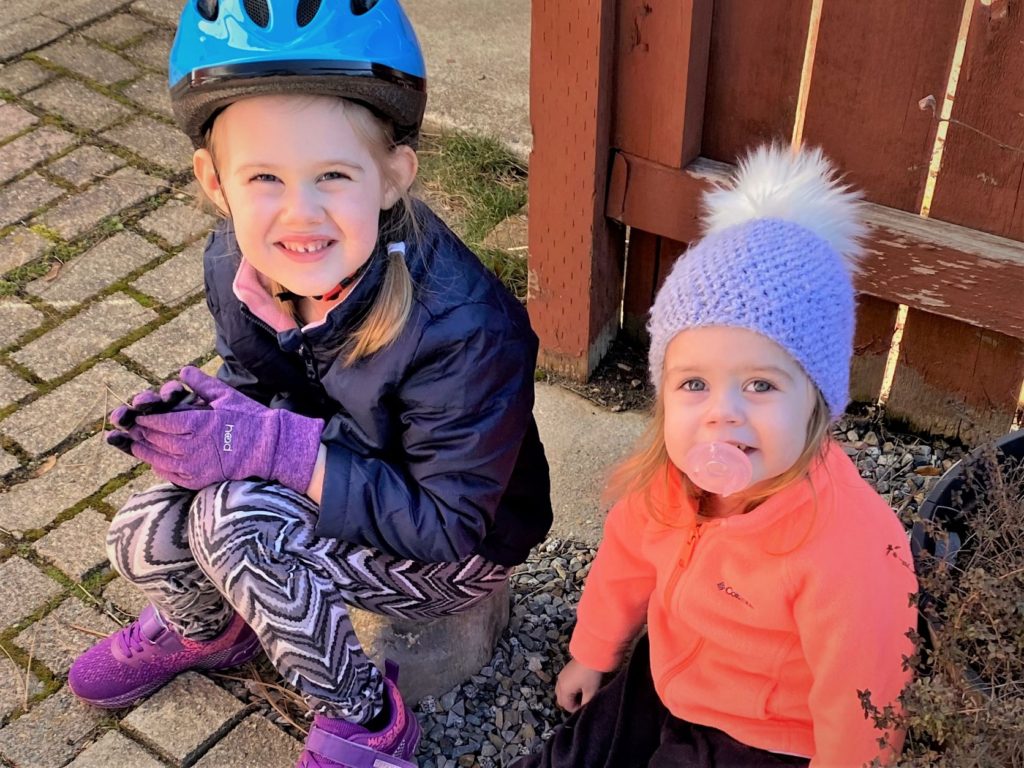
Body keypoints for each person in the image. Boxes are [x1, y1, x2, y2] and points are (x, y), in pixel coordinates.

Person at [67, 2, 552, 766]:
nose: (301, 213)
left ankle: (367, 716)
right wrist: (216, 415)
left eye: (333, 173)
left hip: (457, 545)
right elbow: (258, 383)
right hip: (343, 476)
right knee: (145, 528)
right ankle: (212, 629)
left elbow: (448, 522)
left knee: (234, 524)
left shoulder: (462, 325)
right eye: (264, 176)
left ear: (393, 175)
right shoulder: (235, 263)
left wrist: (271, 447)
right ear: (214, 181)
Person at [515, 145, 917, 768]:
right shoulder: (667, 485)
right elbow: (625, 565)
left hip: (765, 734)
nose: (721, 412)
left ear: (817, 399)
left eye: (760, 385)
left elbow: (863, 702)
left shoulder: (849, 547)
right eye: (694, 384)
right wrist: (594, 652)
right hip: (668, 678)